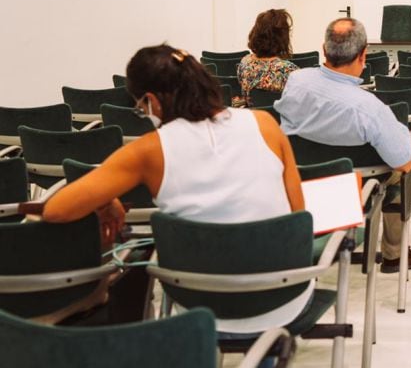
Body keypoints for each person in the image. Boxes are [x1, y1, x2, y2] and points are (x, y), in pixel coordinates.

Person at [42, 44, 308, 332]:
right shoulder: (265, 124)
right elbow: (298, 213)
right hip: (283, 295)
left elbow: (56, 210)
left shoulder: (148, 151)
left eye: (140, 107)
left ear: (152, 101)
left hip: (197, 301)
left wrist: (106, 201)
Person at [275, 17, 411, 273]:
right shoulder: (370, 108)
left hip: (300, 177)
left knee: (395, 147)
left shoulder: (296, 81)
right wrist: (406, 147)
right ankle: (394, 255)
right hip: (356, 184)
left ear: (324, 50)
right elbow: (402, 163)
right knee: (403, 167)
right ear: (364, 54)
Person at [238, 8, 299, 106]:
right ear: (282, 37)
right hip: (281, 120)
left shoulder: (245, 62)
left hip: (256, 119)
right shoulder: (289, 71)